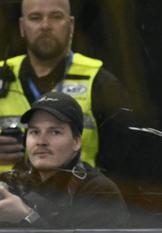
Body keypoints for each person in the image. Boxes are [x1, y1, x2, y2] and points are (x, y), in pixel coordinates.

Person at [0, 0, 132, 175]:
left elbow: (127, 164)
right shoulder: (3, 76)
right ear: (22, 26)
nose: (45, 25)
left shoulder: (101, 83)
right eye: (35, 17)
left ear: (71, 25)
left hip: (80, 199)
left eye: (56, 16)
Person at [0, 91, 127, 227]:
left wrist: (26, 216)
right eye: (35, 132)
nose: (41, 141)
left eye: (55, 132)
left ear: (76, 141)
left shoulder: (98, 191)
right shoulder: (12, 183)